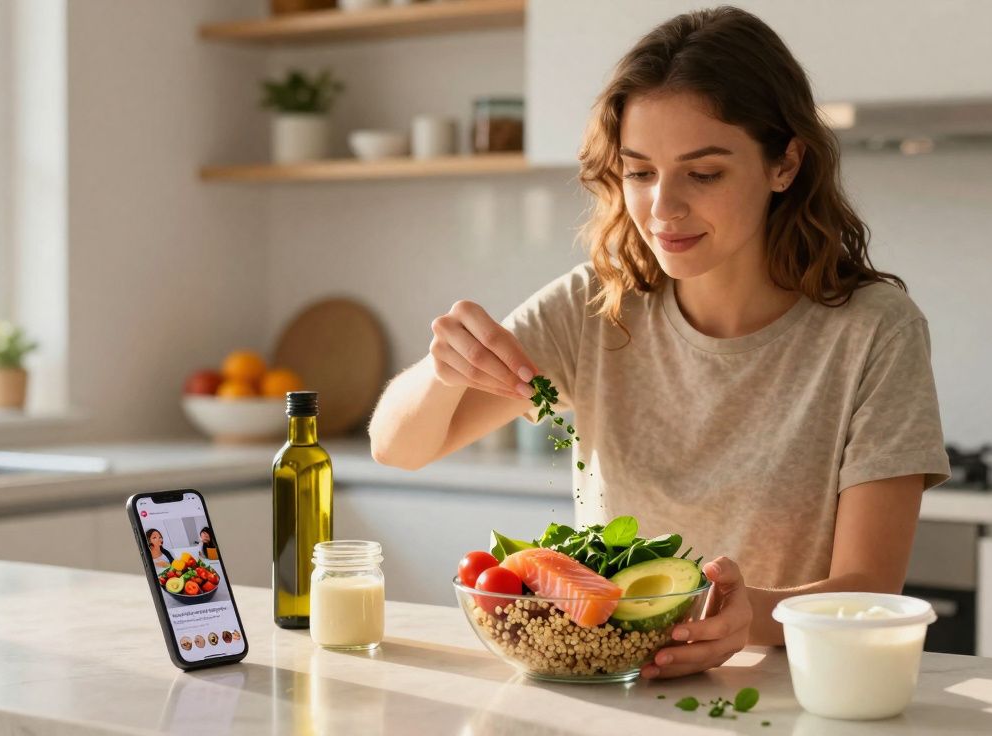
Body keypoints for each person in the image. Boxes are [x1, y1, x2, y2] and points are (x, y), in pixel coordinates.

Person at [368, 6, 950, 680]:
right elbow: (397, 447)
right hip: (613, 687)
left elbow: (869, 589)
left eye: (703, 174)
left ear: (785, 162)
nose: (663, 209)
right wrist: (442, 373)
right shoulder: (597, 306)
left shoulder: (875, 330)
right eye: (640, 173)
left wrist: (745, 615)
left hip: (787, 695)